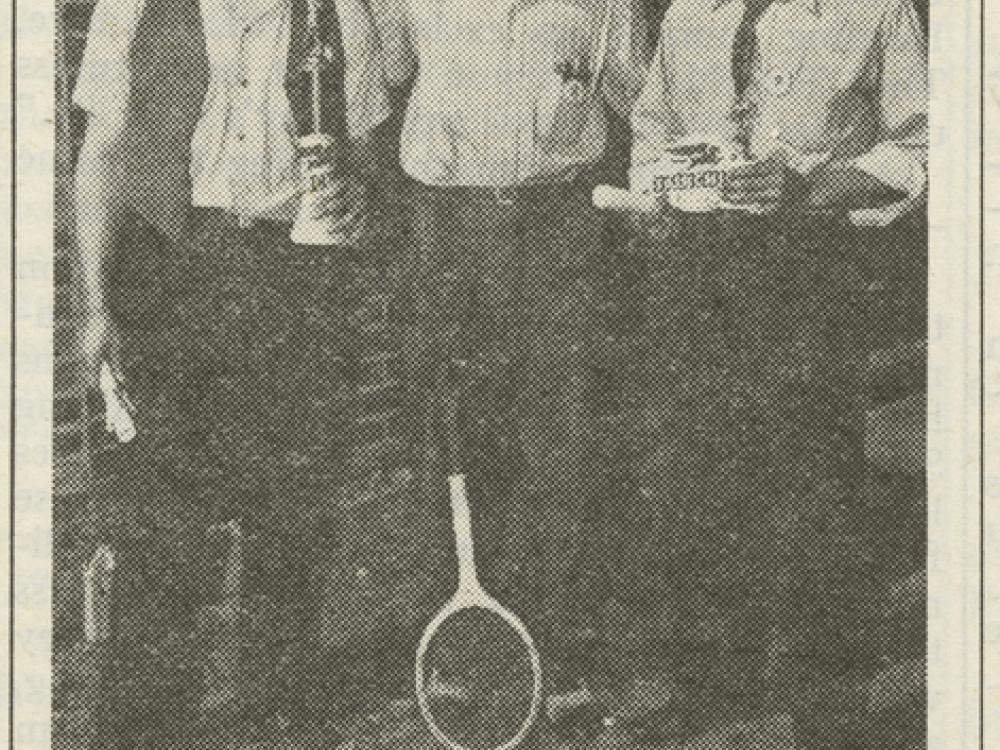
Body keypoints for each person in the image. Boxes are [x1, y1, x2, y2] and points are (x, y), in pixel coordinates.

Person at [73, 0, 406, 744]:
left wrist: (356, 197)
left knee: (290, 525)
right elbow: (102, 153)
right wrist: (93, 304)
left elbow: (368, 162)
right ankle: (142, 734)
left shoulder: (337, 15)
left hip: (293, 277)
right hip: (169, 266)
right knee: (160, 533)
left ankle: (272, 722)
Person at [630, 0, 926, 742]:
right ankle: (714, 688)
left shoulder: (873, 12)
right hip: (695, 277)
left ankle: (829, 707)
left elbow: (927, 144)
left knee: (814, 488)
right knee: (699, 480)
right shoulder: (689, 15)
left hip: (807, 273)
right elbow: (652, 128)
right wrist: (654, 198)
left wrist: (813, 188)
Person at [392, 0, 649, 700]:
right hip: (446, 228)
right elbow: (381, 77)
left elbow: (643, 100)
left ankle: (559, 653)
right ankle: (464, 651)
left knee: (562, 442)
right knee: (452, 439)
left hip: (558, 226)